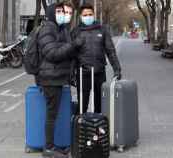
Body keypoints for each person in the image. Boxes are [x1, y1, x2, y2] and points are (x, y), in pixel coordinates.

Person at [36, 3, 83, 158]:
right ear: (50, 13)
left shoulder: (59, 29)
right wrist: (72, 45)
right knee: (51, 115)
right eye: (58, 12)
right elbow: (53, 54)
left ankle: (52, 146)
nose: (62, 14)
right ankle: (48, 148)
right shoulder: (47, 30)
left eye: (62, 12)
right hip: (50, 79)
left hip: (57, 78)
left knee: (53, 114)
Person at [73, 3, 122, 113]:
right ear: (81, 16)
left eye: (90, 14)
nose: (88, 17)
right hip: (83, 74)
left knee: (100, 105)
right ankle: (81, 128)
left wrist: (117, 69)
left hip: (99, 73)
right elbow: (71, 54)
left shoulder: (102, 30)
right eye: (85, 15)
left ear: (94, 15)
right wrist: (71, 74)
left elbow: (110, 50)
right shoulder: (76, 32)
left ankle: (98, 128)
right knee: (82, 106)